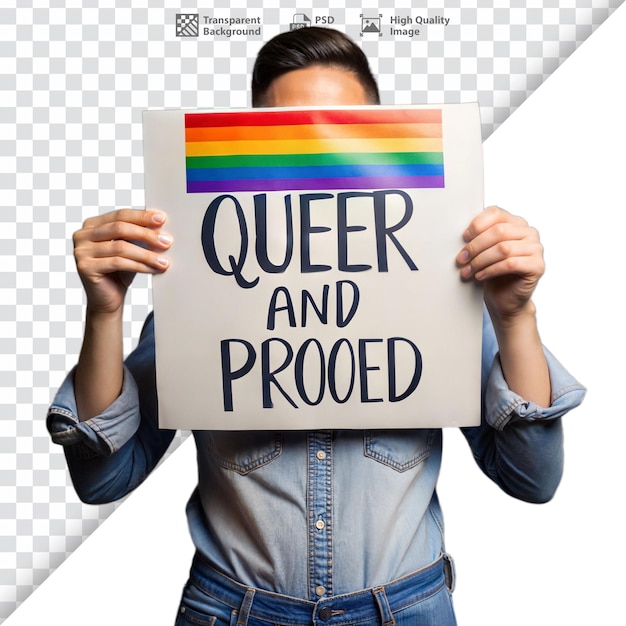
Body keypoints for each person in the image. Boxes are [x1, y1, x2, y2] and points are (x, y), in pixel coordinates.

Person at [47, 27, 586, 626]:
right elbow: (103, 479)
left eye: (341, 130)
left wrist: (514, 316)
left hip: (407, 610)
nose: (318, 153)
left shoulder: (443, 287)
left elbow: (533, 479)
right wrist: (104, 311)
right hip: (234, 611)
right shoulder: (200, 293)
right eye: (290, 132)